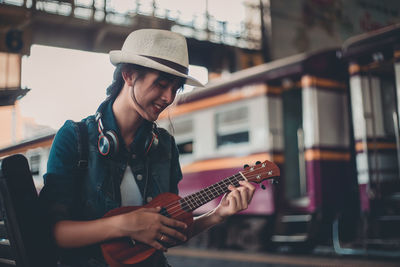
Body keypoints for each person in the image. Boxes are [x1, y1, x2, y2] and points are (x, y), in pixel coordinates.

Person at [39, 29, 256, 267]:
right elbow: (54, 233)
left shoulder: (165, 146)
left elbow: (167, 233)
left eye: (176, 88)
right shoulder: (74, 137)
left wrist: (217, 215)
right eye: (161, 84)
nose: (168, 97)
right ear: (129, 75)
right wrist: (125, 225)